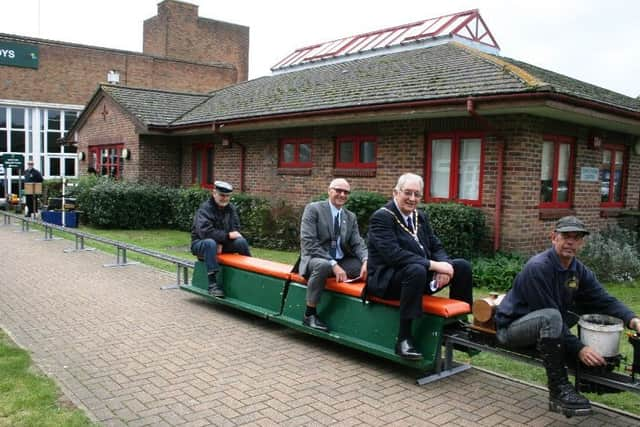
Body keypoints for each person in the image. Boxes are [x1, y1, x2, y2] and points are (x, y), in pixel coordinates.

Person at [495, 216, 640, 417]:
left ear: (581, 242)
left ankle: (592, 375)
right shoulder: (538, 267)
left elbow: (603, 299)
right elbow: (548, 312)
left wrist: (633, 320)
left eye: (576, 237)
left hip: (543, 327)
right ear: (553, 237)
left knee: (587, 307)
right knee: (552, 317)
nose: (570, 242)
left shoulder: (577, 269)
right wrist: (579, 348)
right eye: (565, 236)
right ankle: (558, 390)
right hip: (511, 329)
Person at [366, 173, 473, 360]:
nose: (412, 199)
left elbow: (435, 246)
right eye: (408, 193)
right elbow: (394, 255)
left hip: (418, 277)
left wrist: (446, 265)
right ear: (395, 192)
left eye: (417, 194)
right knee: (415, 270)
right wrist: (434, 265)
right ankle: (404, 339)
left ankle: (458, 325)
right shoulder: (382, 218)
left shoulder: (420, 216)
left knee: (461, 266)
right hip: (387, 281)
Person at [298, 178, 368, 332]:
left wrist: (365, 260)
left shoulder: (350, 217)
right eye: (338, 190)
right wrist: (333, 264)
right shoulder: (313, 209)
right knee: (323, 265)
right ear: (329, 191)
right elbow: (309, 242)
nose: (342, 194)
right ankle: (309, 314)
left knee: (371, 268)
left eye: (346, 192)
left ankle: (366, 310)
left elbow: (357, 242)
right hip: (315, 259)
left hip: (342, 260)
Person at [191, 181, 251, 298]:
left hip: (221, 244)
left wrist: (224, 241)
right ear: (214, 193)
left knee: (241, 241)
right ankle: (213, 285)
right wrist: (227, 237)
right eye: (222, 195)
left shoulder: (231, 209)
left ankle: (252, 274)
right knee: (210, 243)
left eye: (227, 196)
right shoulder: (205, 209)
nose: (225, 198)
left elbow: (236, 229)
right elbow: (205, 232)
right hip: (200, 244)